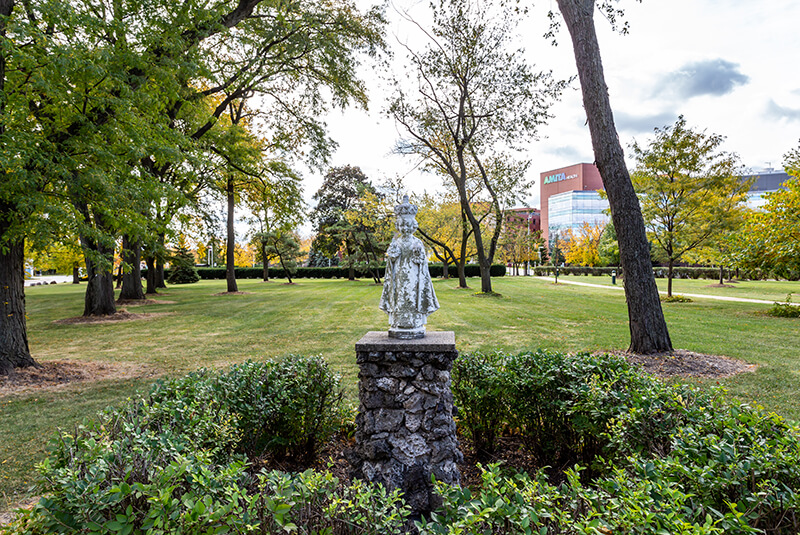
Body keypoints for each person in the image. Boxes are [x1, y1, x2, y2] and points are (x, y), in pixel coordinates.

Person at [379, 195, 439, 339]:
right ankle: (399, 322)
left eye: (408, 225)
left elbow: (422, 263)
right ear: (398, 226)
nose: (405, 228)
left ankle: (415, 322)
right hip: (399, 276)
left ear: (413, 226)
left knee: (413, 296)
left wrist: (418, 256)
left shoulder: (417, 242)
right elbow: (390, 262)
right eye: (402, 225)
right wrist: (392, 257)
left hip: (414, 276)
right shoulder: (396, 243)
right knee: (400, 297)